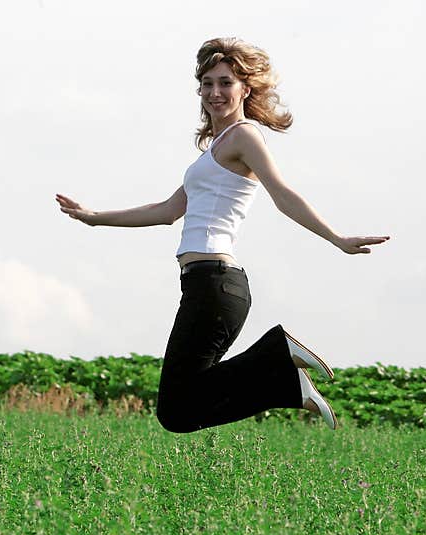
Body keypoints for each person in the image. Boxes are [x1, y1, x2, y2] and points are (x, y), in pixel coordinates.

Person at [56, 37, 389, 433]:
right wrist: (95, 217)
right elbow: (167, 211)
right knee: (180, 409)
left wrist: (335, 237)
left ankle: (280, 359)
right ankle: (284, 375)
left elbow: (282, 195)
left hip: (215, 284)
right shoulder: (214, 150)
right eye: (208, 83)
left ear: (245, 88)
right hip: (206, 285)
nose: (215, 92)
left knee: (177, 411)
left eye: (225, 83)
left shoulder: (245, 137)